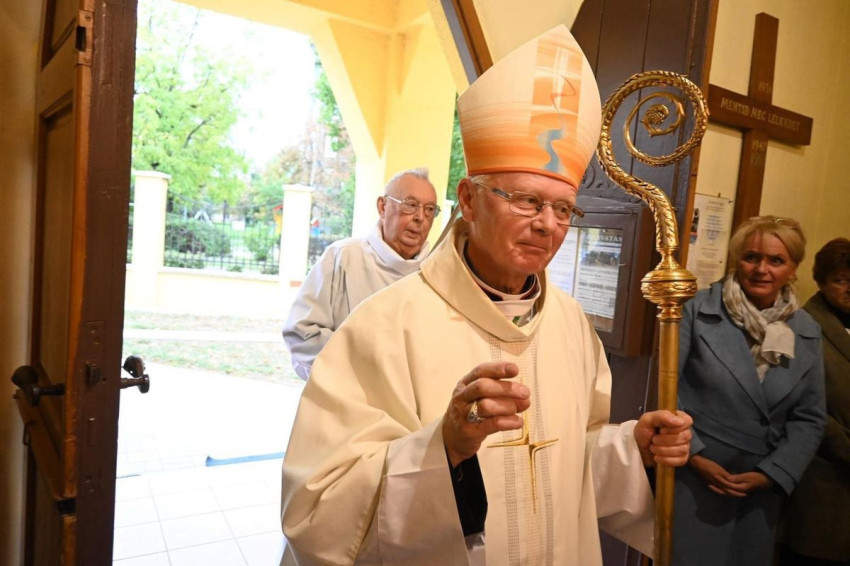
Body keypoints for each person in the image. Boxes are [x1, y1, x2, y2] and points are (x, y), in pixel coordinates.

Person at [280, 25, 693, 566]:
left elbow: (571, 461)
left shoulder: (570, 324)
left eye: (563, 208)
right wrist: (446, 448)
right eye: (526, 200)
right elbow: (318, 505)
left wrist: (631, 448)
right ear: (470, 201)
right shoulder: (385, 324)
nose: (547, 225)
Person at [672, 215, 827, 566]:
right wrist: (695, 456)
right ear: (736, 259)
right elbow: (665, 393)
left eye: (776, 260)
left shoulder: (807, 331)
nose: (761, 269)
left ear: (793, 268)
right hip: (694, 479)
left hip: (759, 489)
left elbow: (810, 418)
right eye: (751, 257)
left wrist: (772, 473)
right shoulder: (696, 311)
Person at [282, 167, 439, 380]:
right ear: (383, 207)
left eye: (429, 209)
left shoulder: (437, 273)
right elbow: (302, 333)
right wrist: (363, 365)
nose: (420, 217)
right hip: (347, 393)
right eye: (410, 205)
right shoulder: (342, 258)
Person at [781, 237, 850, 566]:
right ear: (821, 282)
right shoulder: (803, 326)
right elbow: (805, 403)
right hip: (824, 479)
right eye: (840, 280)